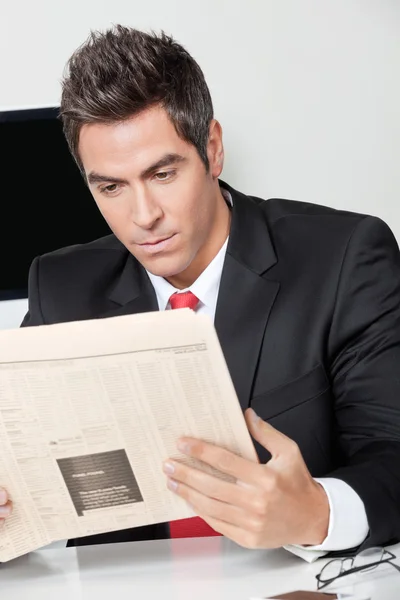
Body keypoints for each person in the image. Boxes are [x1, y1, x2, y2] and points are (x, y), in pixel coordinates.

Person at [1, 25, 399, 560]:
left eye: (162, 174)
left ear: (212, 150)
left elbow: (393, 456)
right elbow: (22, 466)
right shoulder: (61, 287)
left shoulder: (344, 257)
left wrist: (317, 512)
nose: (143, 217)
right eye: (111, 187)